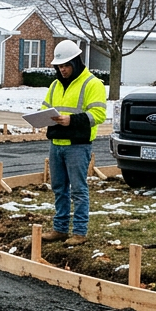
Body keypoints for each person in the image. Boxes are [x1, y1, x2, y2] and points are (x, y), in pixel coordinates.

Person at [42, 40, 107, 246]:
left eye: (66, 66)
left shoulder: (92, 84)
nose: (62, 70)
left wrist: (72, 120)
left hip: (78, 145)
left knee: (78, 189)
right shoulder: (55, 85)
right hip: (57, 143)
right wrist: (42, 117)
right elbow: (45, 108)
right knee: (59, 187)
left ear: (76, 63)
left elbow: (99, 114)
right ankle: (60, 229)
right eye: (59, 66)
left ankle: (79, 232)